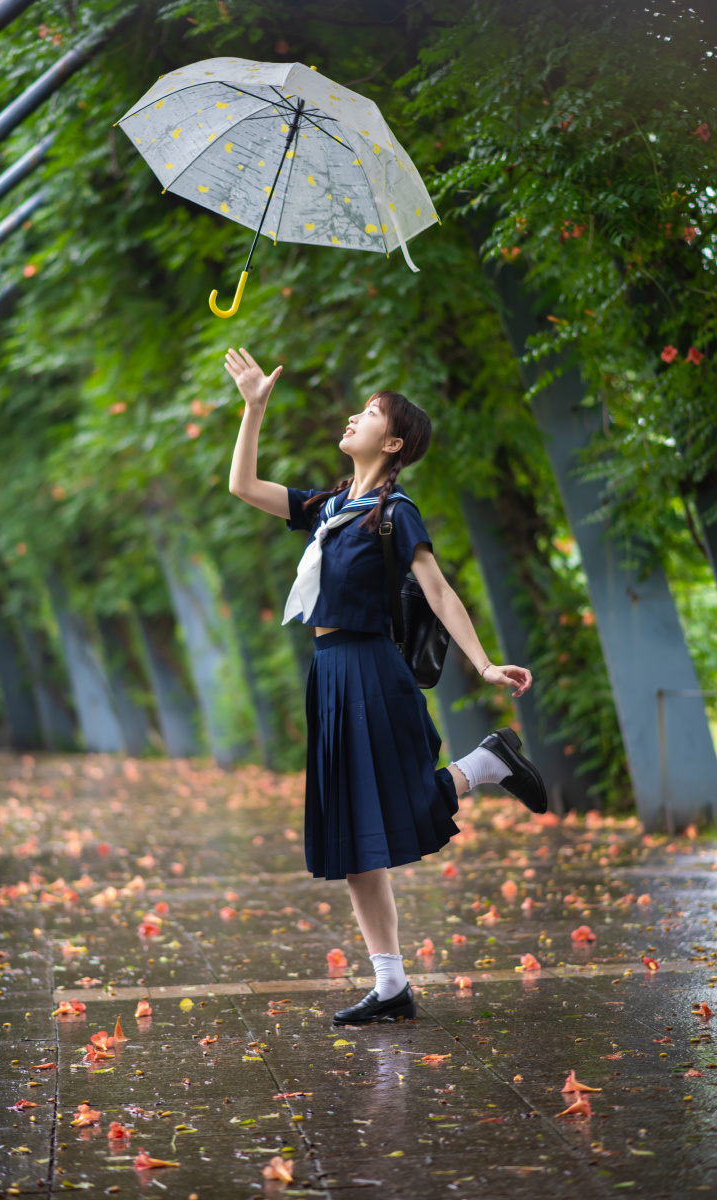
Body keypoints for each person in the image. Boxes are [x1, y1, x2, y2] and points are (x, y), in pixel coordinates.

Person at [225, 346, 547, 1026]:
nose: (352, 416)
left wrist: (485, 663)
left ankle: (486, 762)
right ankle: (391, 985)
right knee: (351, 837)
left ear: (392, 441)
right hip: (330, 672)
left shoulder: (394, 512)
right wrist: (253, 409)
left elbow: (437, 589)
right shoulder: (327, 506)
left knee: (397, 803)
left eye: (368, 413)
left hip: (372, 670)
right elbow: (243, 486)